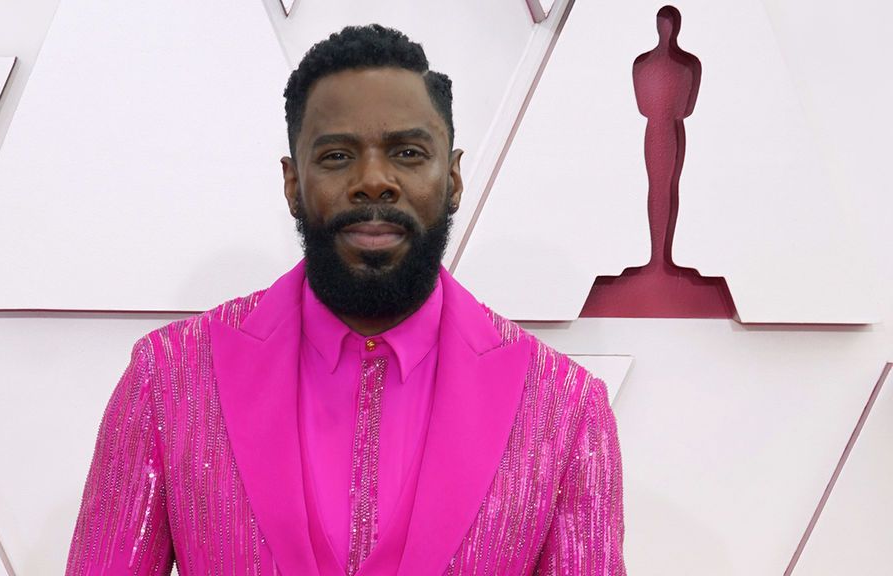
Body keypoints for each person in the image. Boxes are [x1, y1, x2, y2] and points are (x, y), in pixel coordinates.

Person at [66, 24, 625, 576]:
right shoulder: (169, 378)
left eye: (407, 152)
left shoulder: (563, 407)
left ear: (453, 177)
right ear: (293, 183)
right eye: (337, 156)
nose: (374, 181)